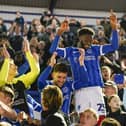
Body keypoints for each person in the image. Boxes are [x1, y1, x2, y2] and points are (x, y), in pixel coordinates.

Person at [49, 10, 119, 124]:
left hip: (96, 89)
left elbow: (114, 46)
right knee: (82, 120)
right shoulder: (71, 51)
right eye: (87, 39)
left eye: (91, 39)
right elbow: (52, 50)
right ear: (80, 38)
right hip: (80, 90)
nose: (89, 42)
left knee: (100, 119)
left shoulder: (95, 49)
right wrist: (59, 33)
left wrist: (114, 28)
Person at [38, 49, 88, 115]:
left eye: (64, 77)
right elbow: (40, 81)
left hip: (64, 120)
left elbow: (84, 82)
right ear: (53, 75)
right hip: (49, 119)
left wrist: (81, 63)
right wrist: (51, 65)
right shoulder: (47, 86)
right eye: (59, 77)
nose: (61, 80)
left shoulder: (68, 84)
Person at [0, 38, 40, 114]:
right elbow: (2, 80)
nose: (16, 67)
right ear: (5, 69)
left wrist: (28, 53)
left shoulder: (19, 81)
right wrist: (7, 60)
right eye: (12, 65)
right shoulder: (2, 85)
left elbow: (35, 72)